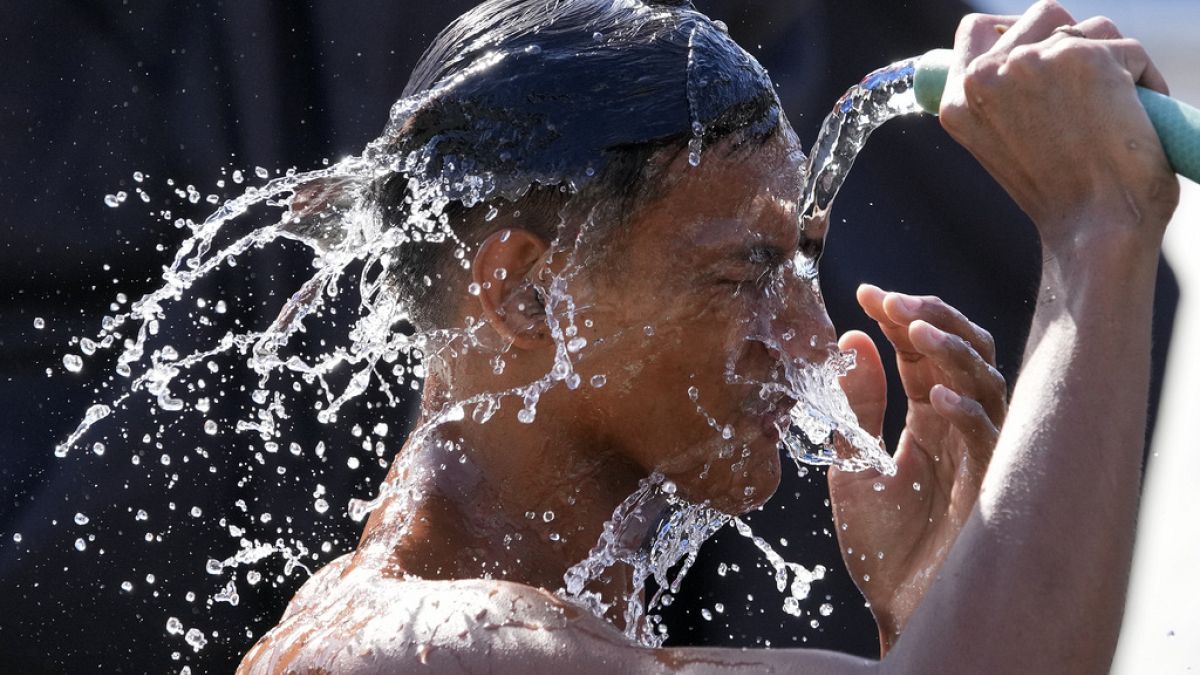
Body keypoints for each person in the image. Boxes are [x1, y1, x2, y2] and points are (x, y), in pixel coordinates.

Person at [226, 0, 1179, 671]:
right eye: (745, 273)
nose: (814, 340)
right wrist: (1096, 232)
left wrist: (928, 615)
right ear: (522, 292)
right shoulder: (429, 649)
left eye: (804, 267)